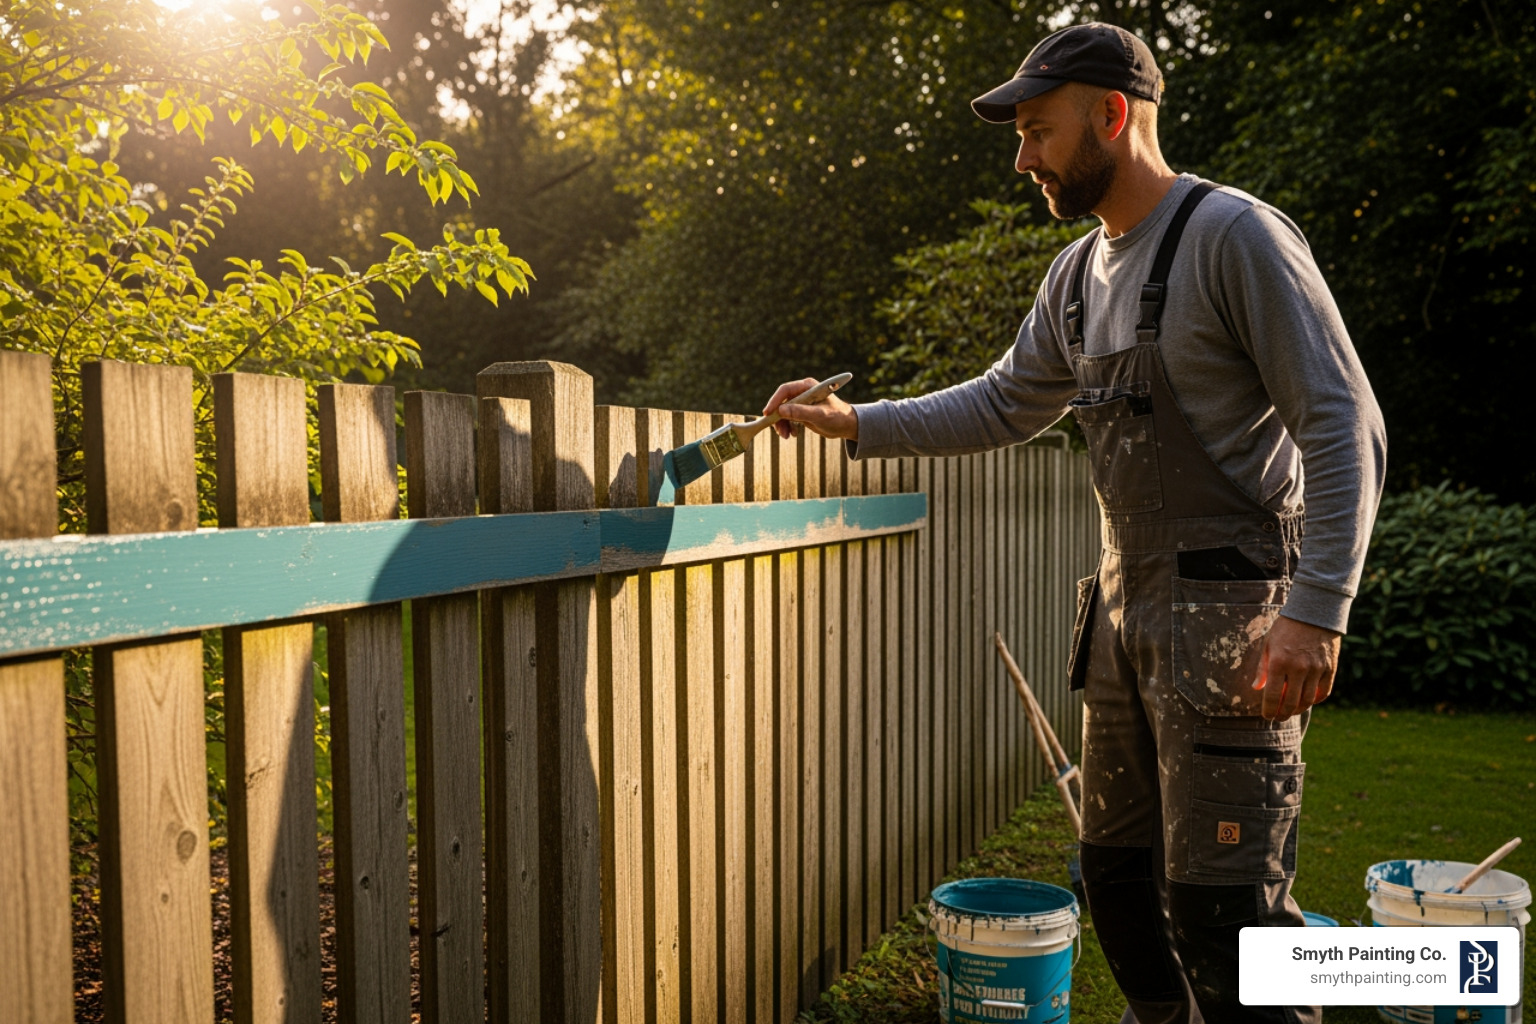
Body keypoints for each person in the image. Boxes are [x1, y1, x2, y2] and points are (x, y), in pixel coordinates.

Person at [761, 21, 1387, 1024]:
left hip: (1230, 622)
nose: (1023, 160)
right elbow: (1004, 402)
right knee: (1118, 881)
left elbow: (1342, 422)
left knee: (1229, 917)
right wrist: (856, 422)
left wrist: (1318, 608)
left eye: (1038, 132)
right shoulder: (1076, 275)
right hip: (1124, 618)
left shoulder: (1235, 238)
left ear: (1112, 115)